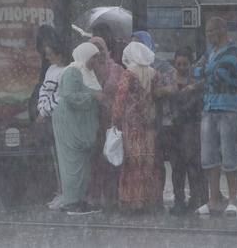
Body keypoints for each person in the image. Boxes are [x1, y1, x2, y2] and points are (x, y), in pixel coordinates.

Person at [191, 15, 237, 216]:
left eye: (210, 31)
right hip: (209, 108)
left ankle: (233, 200)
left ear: (220, 31)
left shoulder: (234, 50)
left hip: (229, 109)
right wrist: (206, 71)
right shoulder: (210, 52)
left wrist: (205, 71)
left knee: (229, 155)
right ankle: (213, 199)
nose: (207, 35)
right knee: (209, 156)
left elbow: (223, 73)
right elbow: (195, 71)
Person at [52, 41, 104, 215]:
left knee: (82, 165)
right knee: (71, 164)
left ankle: (80, 200)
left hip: (81, 126)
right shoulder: (73, 71)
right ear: (85, 55)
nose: (96, 60)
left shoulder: (88, 73)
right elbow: (69, 96)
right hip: (70, 126)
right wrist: (93, 96)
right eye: (93, 56)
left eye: (98, 56)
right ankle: (72, 202)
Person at [113, 40, 162, 211]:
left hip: (131, 125)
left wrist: (115, 120)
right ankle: (149, 199)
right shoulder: (154, 74)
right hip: (149, 124)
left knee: (132, 162)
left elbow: (120, 99)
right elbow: (158, 96)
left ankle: (133, 200)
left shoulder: (128, 74)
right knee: (148, 162)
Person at [158, 46, 207, 214]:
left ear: (190, 64)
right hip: (171, 126)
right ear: (174, 62)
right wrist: (167, 90)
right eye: (178, 64)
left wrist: (191, 90)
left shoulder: (195, 80)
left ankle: (195, 199)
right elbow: (155, 93)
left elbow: (202, 94)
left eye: (185, 64)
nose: (181, 67)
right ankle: (179, 200)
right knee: (177, 165)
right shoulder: (167, 78)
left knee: (192, 165)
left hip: (190, 126)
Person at [34, 25, 69, 208]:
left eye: (49, 53)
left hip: (59, 120)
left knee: (60, 157)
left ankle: (64, 192)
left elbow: (60, 96)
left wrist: (45, 111)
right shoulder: (51, 70)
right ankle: (59, 191)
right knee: (54, 157)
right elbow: (44, 91)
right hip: (48, 120)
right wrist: (42, 110)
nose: (46, 57)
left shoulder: (66, 72)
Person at [86, 34, 121, 208]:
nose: (98, 51)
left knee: (111, 157)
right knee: (94, 160)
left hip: (111, 120)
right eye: (94, 48)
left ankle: (112, 197)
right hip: (91, 121)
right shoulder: (84, 70)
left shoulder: (115, 68)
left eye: (101, 47)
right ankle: (94, 197)